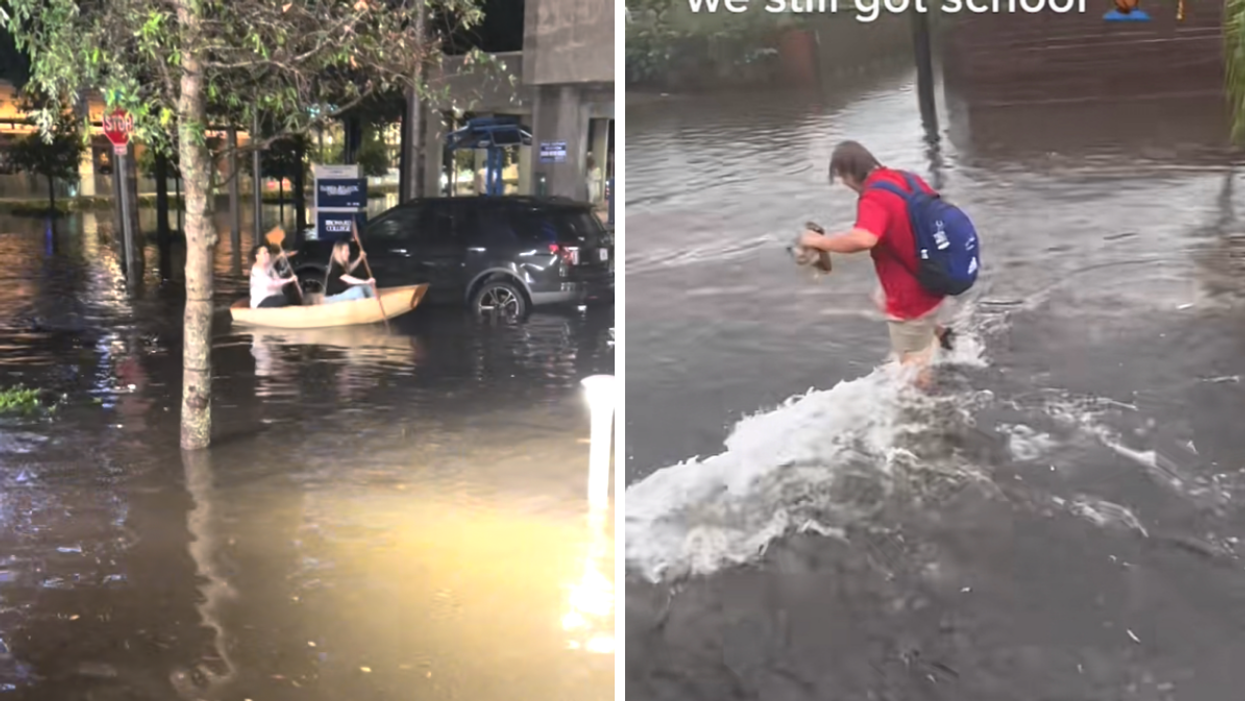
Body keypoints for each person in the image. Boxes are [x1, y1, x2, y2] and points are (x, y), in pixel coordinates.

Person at [798, 141, 955, 380]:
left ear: (848, 172)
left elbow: (863, 239)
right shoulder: (906, 179)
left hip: (911, 297)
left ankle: (930, 405)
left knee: (913, 370)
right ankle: (942, 336)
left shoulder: (874, 198)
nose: (844, 184)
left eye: (841, 177)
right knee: (880, 296)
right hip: (938, 275)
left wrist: (819, 242)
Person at [322, 239, 376, 303]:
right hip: (331, 298)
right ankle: (363, 310)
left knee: (366, 287)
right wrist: (365, 281)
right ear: (340, 252)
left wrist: (360, 258)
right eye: (346, 251)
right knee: (357, 291)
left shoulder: (341, 265)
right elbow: (348, 278)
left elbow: (349, 269)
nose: (349, 253)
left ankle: (374, 303)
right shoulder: (335, 266)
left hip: (340, 294)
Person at [250, 244, 297, 309]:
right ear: (257, 256)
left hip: (273, 297)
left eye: (268, 252)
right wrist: (289, 280)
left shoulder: (268, 263)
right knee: (285, 299)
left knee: (290, 293)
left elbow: (278, 257)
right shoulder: (258, 270)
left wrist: (290, 253)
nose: (268, 254)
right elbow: (272, 283)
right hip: (261, 302)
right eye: (264, 253)